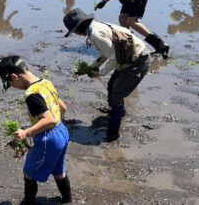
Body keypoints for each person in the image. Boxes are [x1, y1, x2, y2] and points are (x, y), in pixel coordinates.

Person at [63, 8, 150, 142]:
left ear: (79, 27)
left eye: (74, 31)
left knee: (115, 96)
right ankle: (119, 113)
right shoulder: (95, 27)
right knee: (111, 86)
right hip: (126, 57)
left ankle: (113, 133)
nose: (75, 34)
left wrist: (100, 73)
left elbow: (113, 58)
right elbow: (105, 55)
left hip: (137, 60)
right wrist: (89, 68)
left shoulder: (95, 34)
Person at [0, 56, 72, 205]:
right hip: (62, 132)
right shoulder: (45, 83)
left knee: (29, 172)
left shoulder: (31, 94)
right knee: (58, 171)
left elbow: (48, 119)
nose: (14, 87)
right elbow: (62, 107)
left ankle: (29, 202)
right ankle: (67, 199)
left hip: (48, 138)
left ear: (14, 76)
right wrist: (58, 122)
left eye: (11, 84)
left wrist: (26, 132)